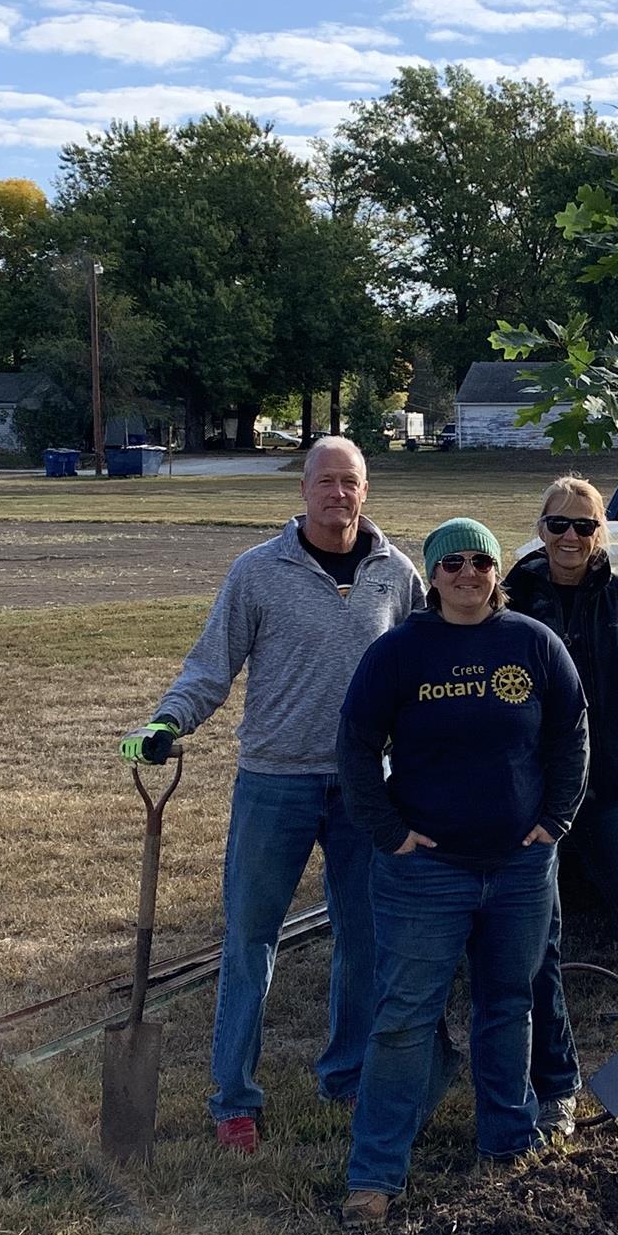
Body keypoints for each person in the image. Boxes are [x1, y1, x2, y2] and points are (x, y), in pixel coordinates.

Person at [118, 436, 424, 1152]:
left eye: (350, 483)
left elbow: (422, 672)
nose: (337, 495)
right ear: (303, 490)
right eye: (325, 482)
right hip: (274, 782)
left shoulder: (395, 573)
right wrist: (167, 720)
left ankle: (346, 1076)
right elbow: (210, 667)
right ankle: (234, 1098)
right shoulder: (258, 571)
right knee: (250, 940)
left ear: (366, 490)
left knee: (363, 939)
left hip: (362, 790)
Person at [335, 518, 588, 1230]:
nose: (468, 575)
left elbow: (571, 729)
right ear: (433, 575)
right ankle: (375, 1174)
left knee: (508, 1005)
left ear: (496, 572)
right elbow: (355, 744)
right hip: (426, 873)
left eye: (481, 563)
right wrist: (388, 831)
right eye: (453, 565)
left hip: (517, 867)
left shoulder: (532, 644)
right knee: (404, 1018)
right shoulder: (400, 651)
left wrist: (556, 818)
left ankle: (507, 1147)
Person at [502, 475, 618, 1139]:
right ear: (540, 528)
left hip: (612, 800)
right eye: (557, 525)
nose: (570, 538)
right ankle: (556, 1088)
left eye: (583, 526)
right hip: (534, 804)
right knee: (537, 947)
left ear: (601, 532)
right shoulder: (511, 598)